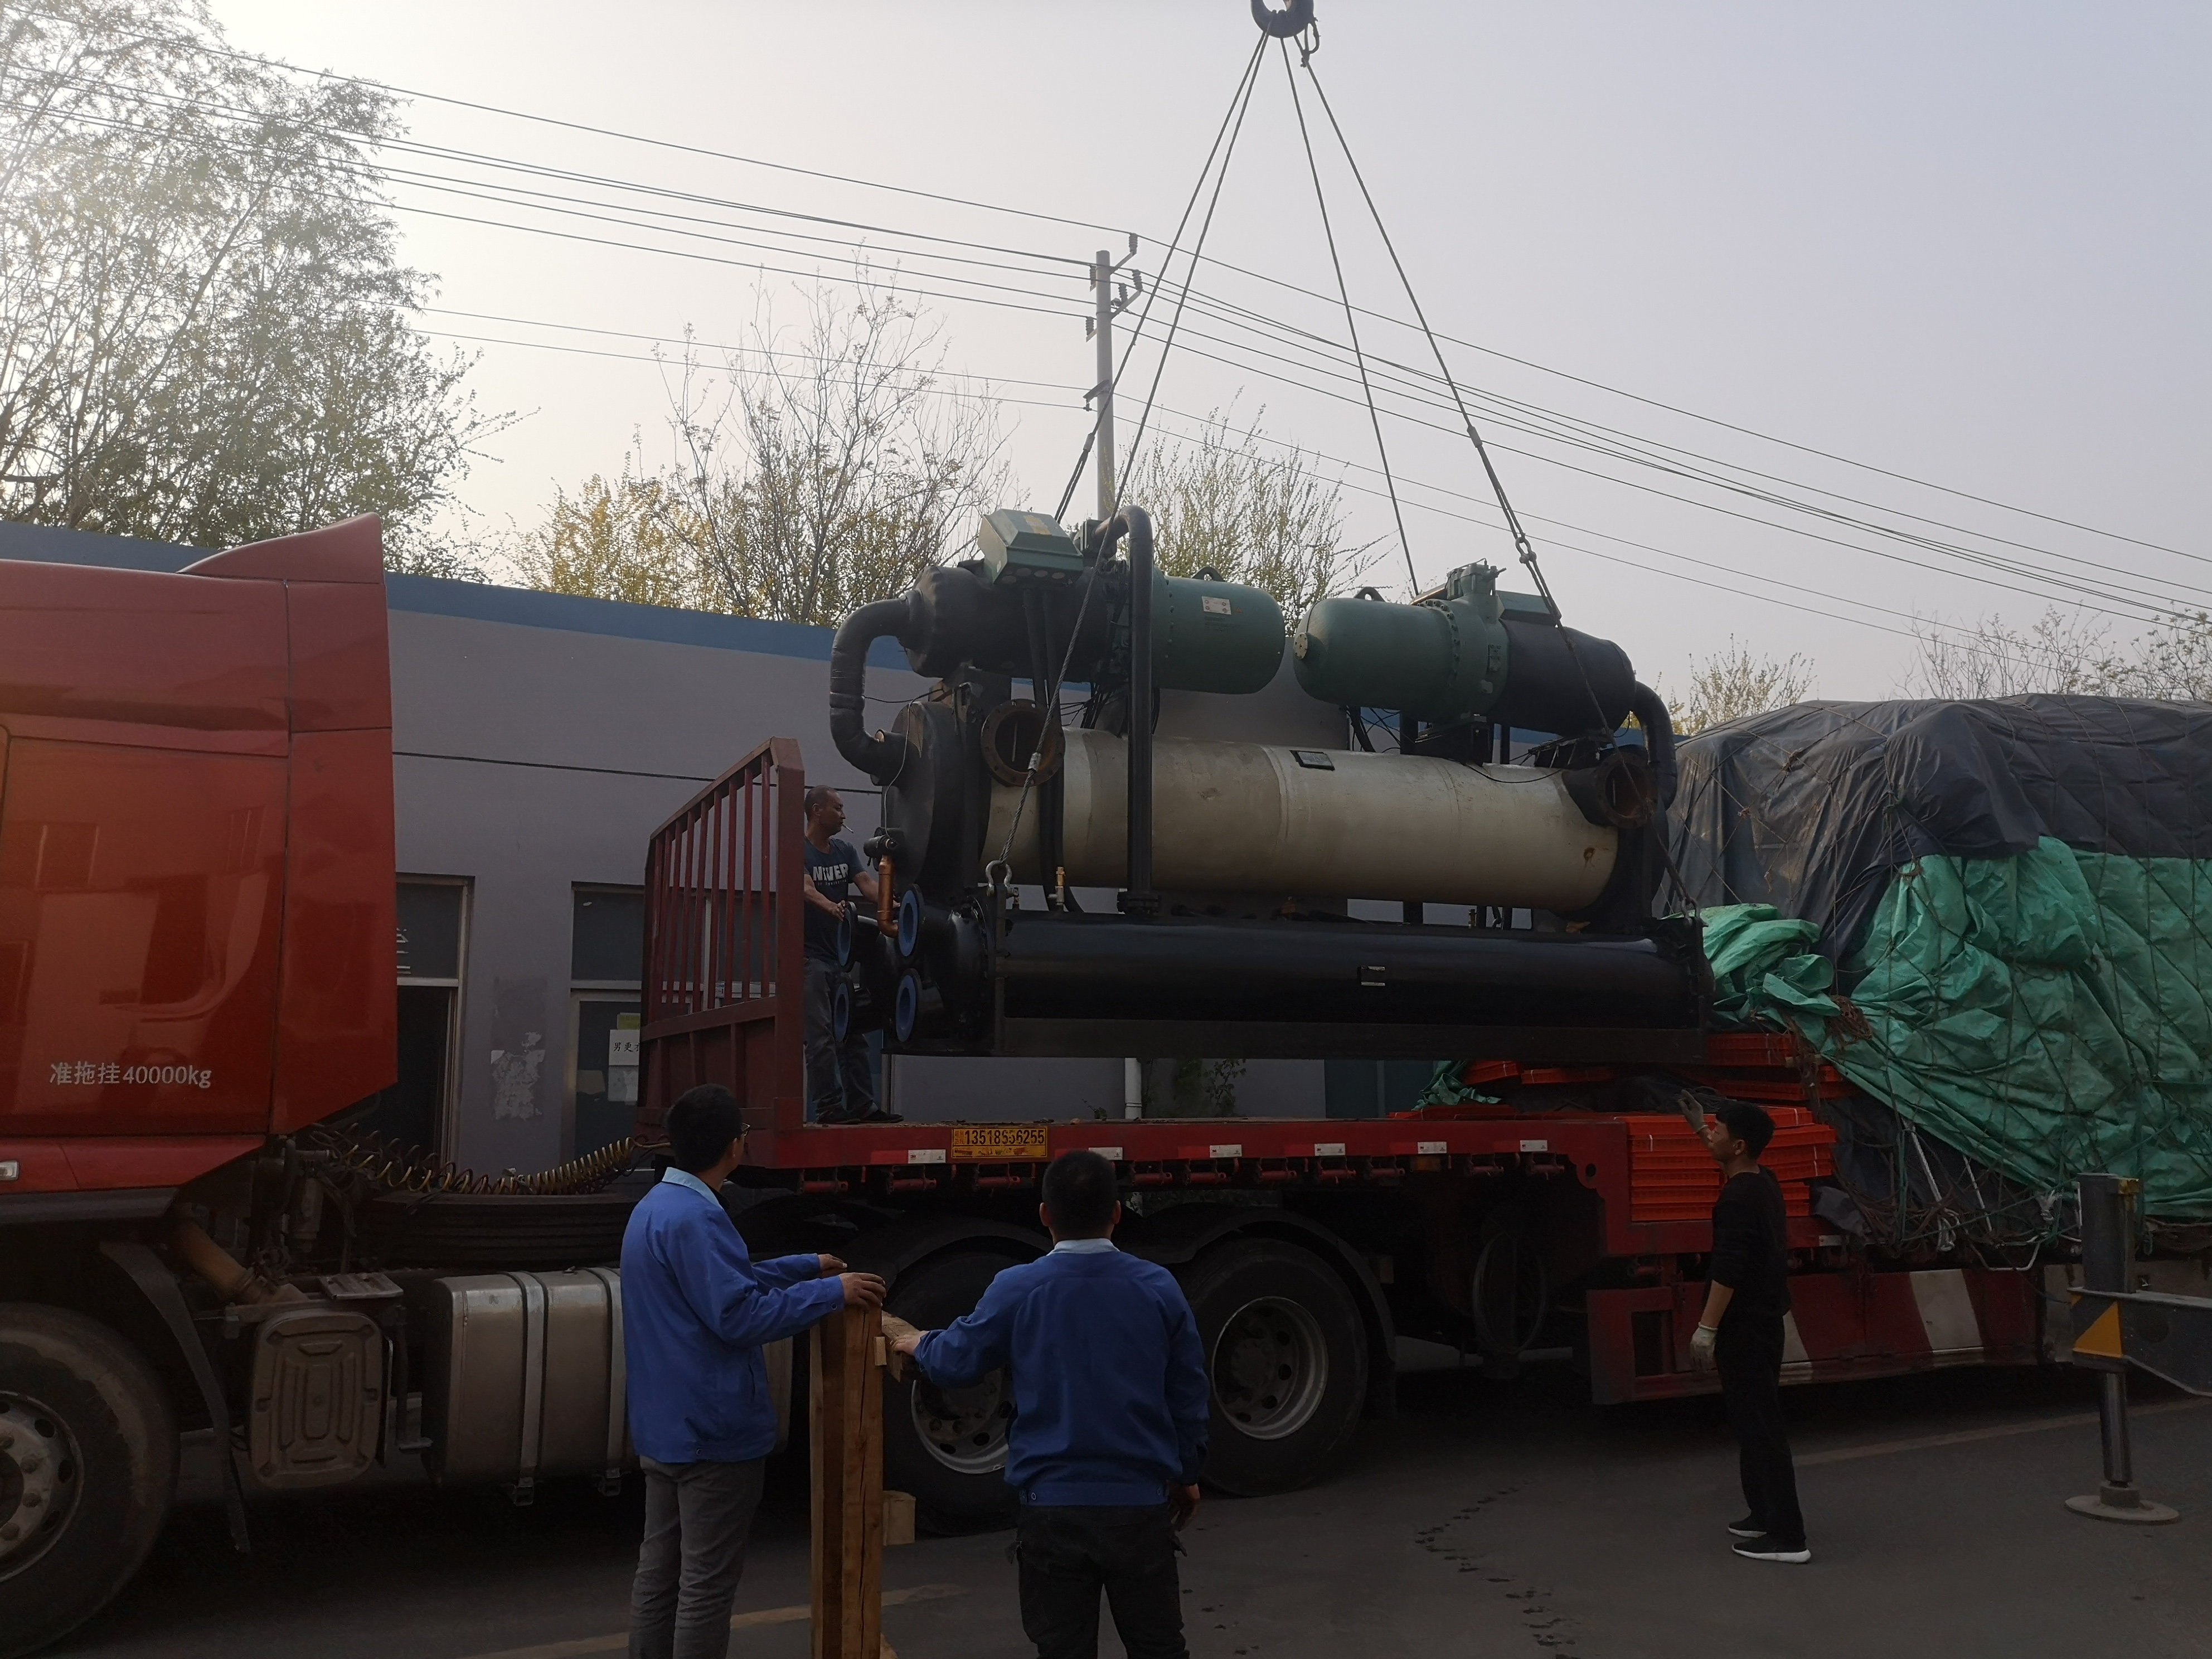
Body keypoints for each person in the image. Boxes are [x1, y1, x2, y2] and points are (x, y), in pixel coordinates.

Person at [892, 1151, 1209, 1659]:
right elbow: (1188, 1393)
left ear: (1044, 1214)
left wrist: (918, 1343)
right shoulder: (1158, 1287)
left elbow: (956, 1361)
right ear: (1118, 1213)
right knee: (1159, 1648)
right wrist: (1187, 1472)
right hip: (1139, 1509)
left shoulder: (1019, 1288)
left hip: (1052, 1511)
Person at [622, 1083, 887, 1657]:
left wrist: (803, 1268)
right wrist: (832, 1293)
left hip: (665, 1426)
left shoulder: (657, 1208)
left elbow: (720, 1284)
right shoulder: (699, 1218)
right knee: (706, 1587)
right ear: (734, 1147)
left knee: (659, 1574)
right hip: (713, 1432)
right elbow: (738, 1316)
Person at [1690, 1099, 1810, 1564]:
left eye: (1717, 1131)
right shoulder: (1762, 1180)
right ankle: (1762, 1514)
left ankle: (1789, 1537)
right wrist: (1697, 1129)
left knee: (1761, 1429)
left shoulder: (1738, 1198)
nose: (1711, 1135)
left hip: (1746, 1328)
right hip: (1763, 1322)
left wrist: (1706, 1328)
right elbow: (1727, 1159)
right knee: (1749, 1423)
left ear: (1739, 1145)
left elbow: (1729, 1268)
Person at [799, 785, 895, 1124]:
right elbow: (806, 889)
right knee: (821, 1037)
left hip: (838, 958)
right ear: (817, 811)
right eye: (837, 808)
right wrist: (832, 907)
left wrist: (894, 903)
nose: (843, 815)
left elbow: (867, 885)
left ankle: (862, 1106)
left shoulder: (845, 850)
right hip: (809, 960)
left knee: (852, 1033)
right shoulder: (798, 850)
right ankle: (828, 1108)